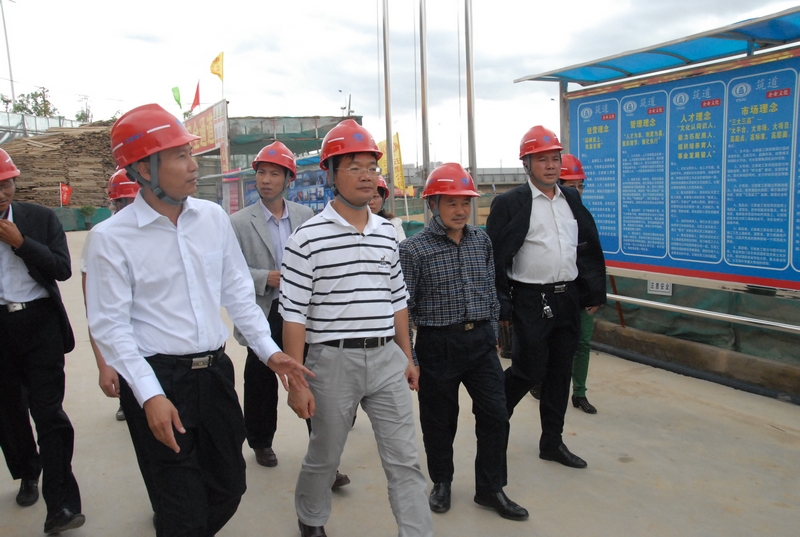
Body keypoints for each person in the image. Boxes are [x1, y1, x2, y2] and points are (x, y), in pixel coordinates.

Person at [85, 104, 312, 537]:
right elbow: (110, 327)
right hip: (158, 379)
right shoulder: (110, 239)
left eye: (190, 154)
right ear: (144, 169)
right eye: (180, 156)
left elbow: (238, 293)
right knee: (180, 505)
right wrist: (149, 395)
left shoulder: (211, 218)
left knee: (229, 486)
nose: (193, 165)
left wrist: (271, 353)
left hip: (214, 375)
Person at [280, 119, 433, 537]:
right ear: (331, 174)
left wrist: (407, 357)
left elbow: (397, 300)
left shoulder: (387, 233)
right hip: (331, 362)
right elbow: (293, 314)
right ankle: (311, 517)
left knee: (405, 459)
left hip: (386, 360)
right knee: (325, 455)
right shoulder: (306, 239)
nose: (367, 176)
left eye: (372, 167)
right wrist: (296, 381)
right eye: (354, 167)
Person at [399, 163, 528, 521]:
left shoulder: (481, 241)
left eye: (465, 202)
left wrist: (492, 332)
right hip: (437, 344)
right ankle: (442, 481)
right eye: (451, 202)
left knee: (496, 414)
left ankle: (490, 488)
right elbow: (404, 307)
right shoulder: (413, 250)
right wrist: (410, 358)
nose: (460, 210)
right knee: (439, 420)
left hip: (481, 343)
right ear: (432, 204)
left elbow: (490, 288)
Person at [485, 126, 605, 470]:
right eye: (542, 159)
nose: (551, 165)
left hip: (567, 297)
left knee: (560, 372)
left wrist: (592, 290)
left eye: (555, 158)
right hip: (530, 298)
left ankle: (552, 442)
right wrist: (501, 304)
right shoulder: (510, 203)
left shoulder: (571, 199)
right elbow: (495, 257)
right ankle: (493, 421)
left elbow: (586, 247)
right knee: (528, 370)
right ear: (527, 164)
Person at [0, 148, 84, 534]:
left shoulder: (39, 218)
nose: (3, 193)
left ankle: (61, 504)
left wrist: (21, 242)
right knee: (9, 412)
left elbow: (62, 269)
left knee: (49, 413)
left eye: (7, 184)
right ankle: (27, 472)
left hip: (40, 324)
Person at [229, 142, 314, 467]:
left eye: (274, 174)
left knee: (309, 375)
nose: (266, 179)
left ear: (288, 179)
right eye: (262, 173)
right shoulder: (238, 222)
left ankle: (322, 451)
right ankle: (261, 442)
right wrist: (266, 277)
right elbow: (231, 270)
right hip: (263, 312)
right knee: (260, 381)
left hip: (301, 312)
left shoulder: (305, 216)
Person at [81, 169, 159, 521]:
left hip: (164, 352)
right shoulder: (104, 239)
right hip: (127, 350)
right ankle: (164, 505)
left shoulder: (163, 232)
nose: (129, 206)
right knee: (151, 443)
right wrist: (104, 364)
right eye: (122, 201)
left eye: (132, 198)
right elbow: (96, 312)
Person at [559, 154, 600, 414]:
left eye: (580, 185)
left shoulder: (584, 216)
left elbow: (594, 258)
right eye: (570, 185)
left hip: (581, 294)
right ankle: (549, 386)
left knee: (582, 344)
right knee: (556, 345)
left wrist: (595, 294)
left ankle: (580, 393)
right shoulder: (543, 215)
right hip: (556, 293)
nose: (577, 191)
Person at [368, 176, 406, 241]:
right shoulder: (351, 225)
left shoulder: (393, 223)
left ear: (383, 199)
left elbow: (402, 245)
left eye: (375, 196)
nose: (370, 202)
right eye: (367, 196)